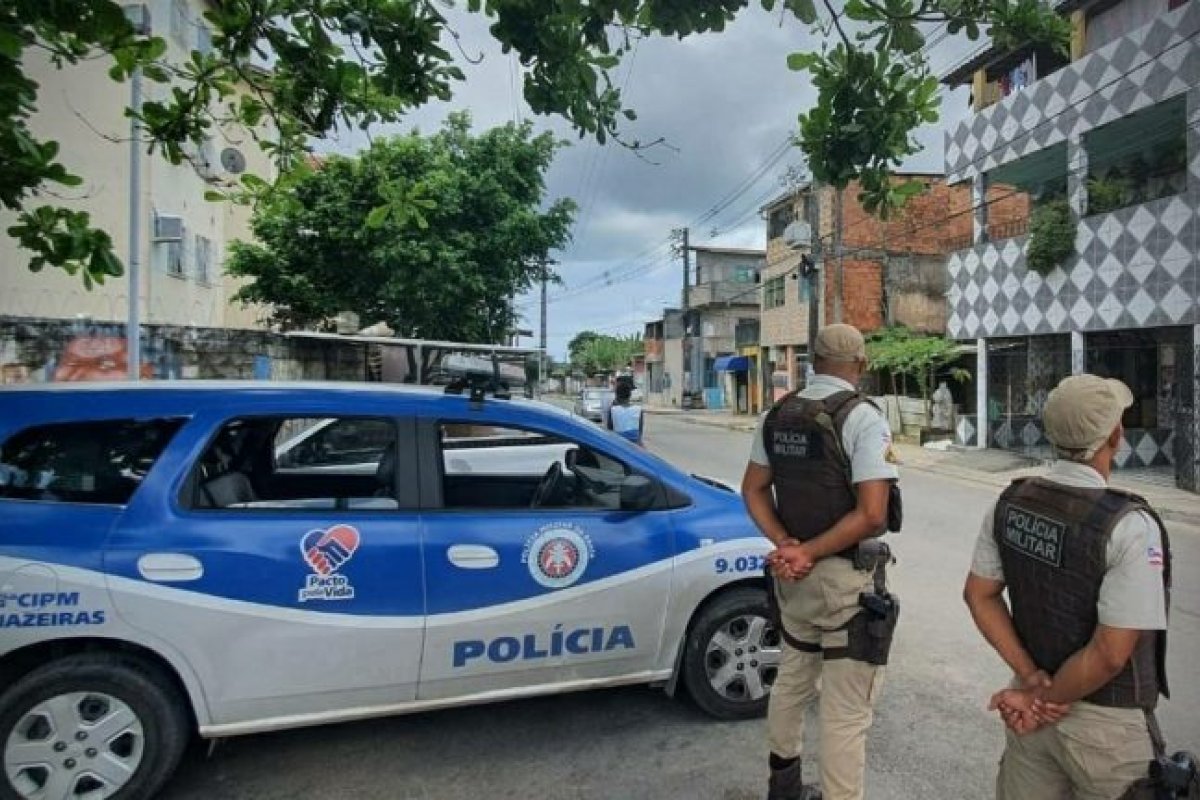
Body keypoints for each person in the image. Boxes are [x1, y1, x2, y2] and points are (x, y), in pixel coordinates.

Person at [963, 374, 1172, 800]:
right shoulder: (1130, 526)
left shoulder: (1010, 502)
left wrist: (1029, 681)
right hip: (1105, 733)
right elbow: (1111, 653)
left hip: (1030, 710)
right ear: (1115, 436)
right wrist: (1046, 702)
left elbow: (979, 594)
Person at [741, 323, 900, 800]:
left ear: (812, 362)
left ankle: (783, 786)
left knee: (792, 681)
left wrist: (787, 544)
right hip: (842, 582)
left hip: (796, 582)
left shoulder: (777, 414)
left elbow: (752, 489)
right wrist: (807, 551)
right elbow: (872, 514)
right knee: (847, 712)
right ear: (861, 364)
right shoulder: (862, 417)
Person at [606, 380, 644, 445]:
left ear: (616, 395)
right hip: (635, 445)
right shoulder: (639, 410)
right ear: (630, 395)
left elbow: (609, 430)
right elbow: (640, 433)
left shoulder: (612, 410)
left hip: (619, 445)